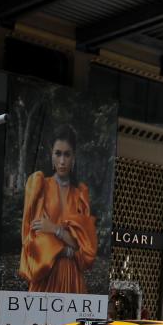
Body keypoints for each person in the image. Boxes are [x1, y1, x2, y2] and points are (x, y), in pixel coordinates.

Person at [18, 125, 97, 293]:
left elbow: (85, 247)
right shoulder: (39, 186)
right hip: (44, 275)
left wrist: (54, 229)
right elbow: (33, 239)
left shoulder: (80, 194)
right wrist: (68, 244)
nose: (62, 161)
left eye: (67, 154)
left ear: (74, 156)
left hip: (72, 277)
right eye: (58, 153)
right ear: (51, 154)